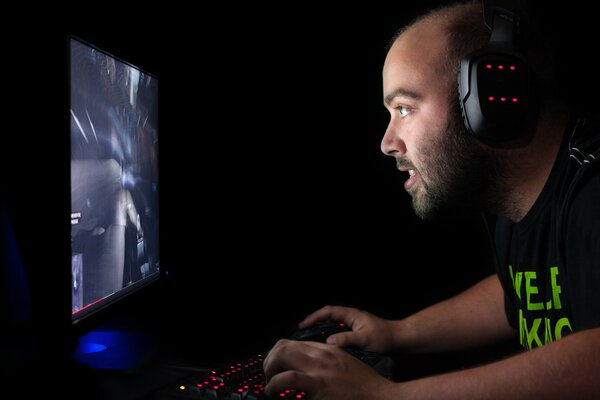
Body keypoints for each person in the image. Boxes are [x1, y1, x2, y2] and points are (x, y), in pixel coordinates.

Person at [263, 1, 600, 398]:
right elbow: (525, 291)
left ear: (489, 97)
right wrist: (397, 333)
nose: (388, 143)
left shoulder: (593, 187)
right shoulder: (517, 197)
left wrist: (387, 396)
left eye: (404, 108)